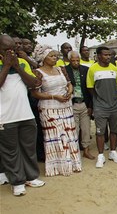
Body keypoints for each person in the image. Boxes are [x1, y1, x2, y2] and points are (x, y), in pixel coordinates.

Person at [0, 34, 46, 196]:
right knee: (11, 151)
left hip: (26, 115)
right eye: (6, 50)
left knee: (28, 149)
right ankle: (17, 182)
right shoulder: (2, 64)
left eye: (13, 49)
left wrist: (18, 67)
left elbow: (34, 84)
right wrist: (6, 66)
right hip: (5, 117)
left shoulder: (22, 63)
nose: (11, 53)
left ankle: (31, 177)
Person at [31, 44, 82, 176]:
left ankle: (70, 164)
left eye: (55, 56)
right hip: (49, 108)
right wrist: (54, 96)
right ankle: (56, 167)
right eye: (51, 56)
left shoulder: (61, 69)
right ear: (43, 58)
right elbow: (35, 93)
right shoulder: (38, 72)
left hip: (65, 106)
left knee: (69, 135)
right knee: (54, 135)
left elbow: (70, 84)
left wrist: (69, 93)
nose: (55, 58)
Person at [86, 46, 117, 168]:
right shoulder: (92, 69)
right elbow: (90, 88)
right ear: (98, 56)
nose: (108, 57)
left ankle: (113, 152)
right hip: (100, 106)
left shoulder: (115, 68)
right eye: (105, 55)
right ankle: (101, 155)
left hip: (115, 105)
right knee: (100, 132)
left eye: (109, 55)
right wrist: (99, 99)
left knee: (114, 130)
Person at [65, 51, 95, 160]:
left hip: (84, 104)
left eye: (77, 60)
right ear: (69, 60)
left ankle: (86, 150)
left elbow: (90, 89)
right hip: (72, 104)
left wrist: (91, 106)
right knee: (74, 130)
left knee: (86, 129)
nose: (76, 62)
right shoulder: (65, 70)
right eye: (73, 60)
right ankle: (74, 151)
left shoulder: (86, 70)